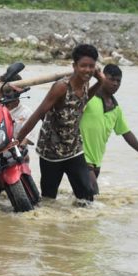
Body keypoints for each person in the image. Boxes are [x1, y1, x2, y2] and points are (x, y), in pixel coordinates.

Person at [15, 44, 103, 202]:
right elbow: (39, 113)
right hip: (51, 151)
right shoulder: (61, 87)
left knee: (86, 197)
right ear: (74, 66)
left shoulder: (86, 82)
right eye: (83, 66)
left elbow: (81, 101)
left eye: (91, 66)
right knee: (49, 199)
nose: (88, 70)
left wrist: (100, 81)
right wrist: (18, 138)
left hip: (74, 148)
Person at [81, 64, 138, 195]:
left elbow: (126, 133)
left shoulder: (116, 109)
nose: (115, 84)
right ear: (103, 77)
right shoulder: (88, 97)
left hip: (96, 161)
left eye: (118, 81)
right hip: (80, 156)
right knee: (92, 193)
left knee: (82, 197)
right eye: (112, 79)